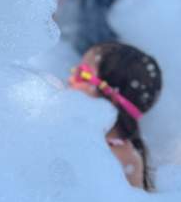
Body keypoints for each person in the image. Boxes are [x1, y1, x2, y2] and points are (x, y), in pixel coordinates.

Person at [69, 42, 162, 191]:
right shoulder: (90, 138)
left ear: (111, 95)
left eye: (82, 74)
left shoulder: (123, 158)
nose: (71, 78)